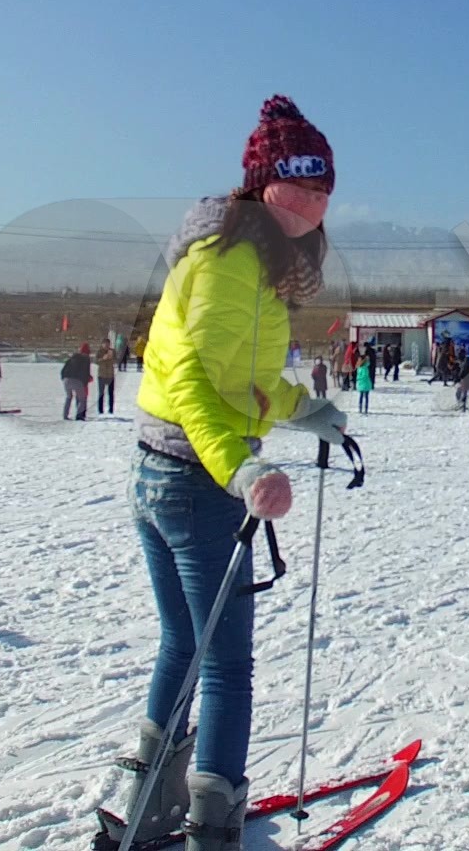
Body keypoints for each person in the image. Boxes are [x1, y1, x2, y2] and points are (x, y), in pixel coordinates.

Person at [105, 96, 347, 851]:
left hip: (165, 473)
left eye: (322, 190)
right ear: (258, 184)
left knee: (183, 642)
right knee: (228, 666)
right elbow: (191, 384)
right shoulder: (232, 261)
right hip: (195, 480)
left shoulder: (250, 258)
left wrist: (303, 411)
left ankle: (143, 801)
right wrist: (241, 468)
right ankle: (214, 819)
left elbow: (243, 381)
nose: (310, 202)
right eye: (296, 185)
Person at [62, 342, 93, 421]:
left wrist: (63, 378)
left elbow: (64, 369)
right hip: (77, 381)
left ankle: (65, 415)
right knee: (82, 399)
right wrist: (85, 383)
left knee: (68, 397)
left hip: (66, 379)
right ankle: (79, 415)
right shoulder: (86, 359)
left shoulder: (72, 357)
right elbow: (85, 373)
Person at [95, 340, 119, 415]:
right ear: (102, 344)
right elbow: (96, 361)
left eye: (108, 344)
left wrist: (111, 358)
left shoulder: (112, 351)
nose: (106, 346)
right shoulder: (99, 351)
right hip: (101, 375)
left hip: (110, 375)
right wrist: (103, 358)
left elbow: (116, 361)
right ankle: (100, 410)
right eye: (105, 344)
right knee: (101, 393)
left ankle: (111, 409)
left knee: (111, 393)